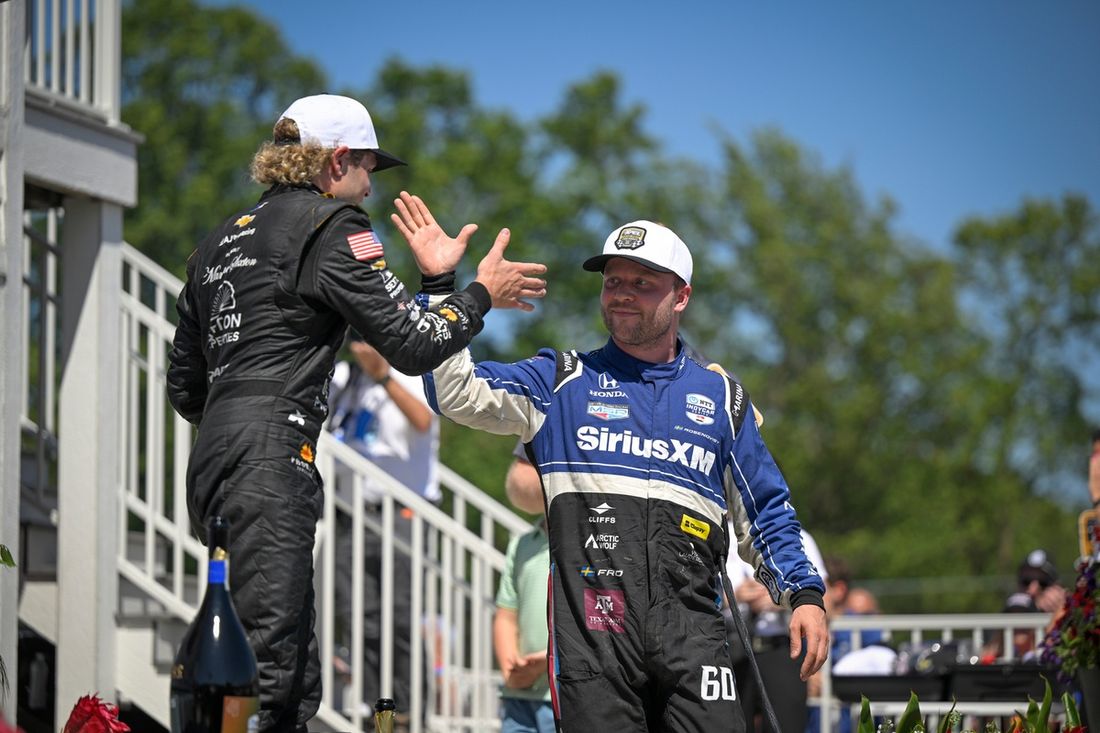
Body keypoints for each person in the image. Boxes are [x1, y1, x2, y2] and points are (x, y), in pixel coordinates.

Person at [166, 93, 547, 732]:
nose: (370, 187)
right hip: (270, 461)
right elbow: (413, 345)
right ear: (335, 160)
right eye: (368, 167)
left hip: (211, 466)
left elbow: (185, 390)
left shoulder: (213, 246)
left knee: (260, 655)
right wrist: (480, 294)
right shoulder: (330, 226)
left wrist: (434, 288)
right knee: (274, 671)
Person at [409, 212, 829, 731]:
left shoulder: (722, 397)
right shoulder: (559, 381)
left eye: (642, 283)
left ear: (681, 296)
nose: (622, 294)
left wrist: (803, 595)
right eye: (613, 282)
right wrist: (439, 288)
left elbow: (766, 512)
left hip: (695, 640)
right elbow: (453, 393)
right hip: (594, 645)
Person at [328, 336, 440, 723]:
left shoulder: (412, 372)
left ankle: (410, 712)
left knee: (401, 616)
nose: (360, 345)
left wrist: (383, 377)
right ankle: (381, 714)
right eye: (355, 337)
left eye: (367, 336)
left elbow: (423, 421)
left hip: (401, 512)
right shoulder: (342, 379)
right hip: (351, 513)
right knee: (360, 617)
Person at [726, 528, 826, 733]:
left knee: (786, 725)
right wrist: (734, 598)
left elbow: (825, 601)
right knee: (728, 725)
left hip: (779, 649)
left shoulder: (795, 535)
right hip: (728, 650)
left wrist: (783, 601)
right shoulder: (716, 529)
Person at [494, 445, 554, 733]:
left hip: (561, 693)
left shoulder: (584, 542)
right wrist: (510, 670)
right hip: (519, 694)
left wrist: (548, 659)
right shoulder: (522, 543)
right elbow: (506, 614)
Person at [1016, 549, 1066, 614]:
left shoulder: (1068, 609)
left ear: (1057, 586)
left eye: (1043, 582)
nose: (1033, 590)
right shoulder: (1012, 608)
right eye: (1026, 581)